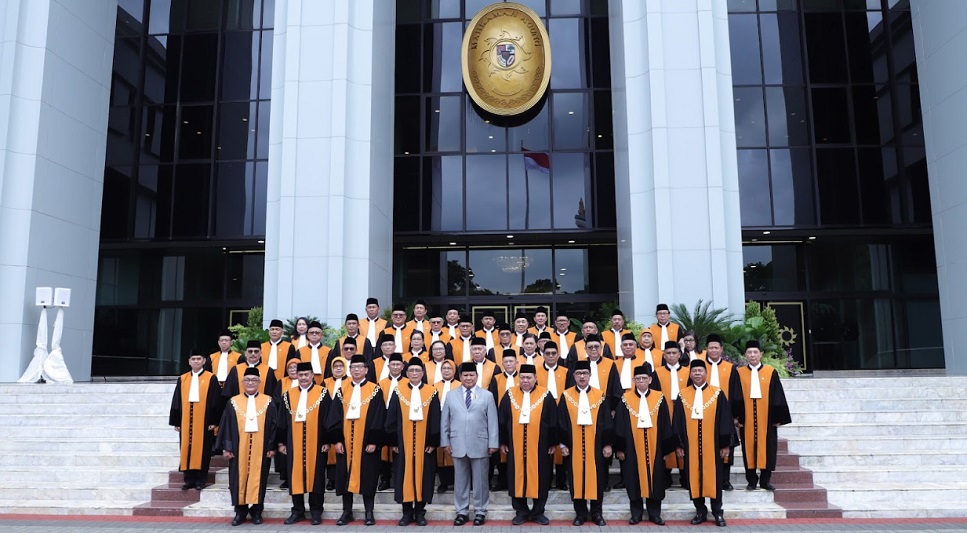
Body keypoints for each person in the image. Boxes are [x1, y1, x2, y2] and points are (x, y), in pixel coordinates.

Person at [614, 364, 677, 525]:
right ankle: (636, 513)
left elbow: (665, 425)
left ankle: (654, 513)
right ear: (633, 380)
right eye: (638, 379)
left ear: (650, 380)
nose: (641, 381)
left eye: (644, 378)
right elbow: (620, 424)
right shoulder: (625, 399)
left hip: (655, 446)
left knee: (655, 479)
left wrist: (665, 448)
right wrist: (620, 448)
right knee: (633, 478)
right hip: (632, 447)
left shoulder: (659, 397)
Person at [326, 354, 386, 526]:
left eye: (360, 367)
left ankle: (369, 512)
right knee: (345, 476)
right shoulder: (342, 388)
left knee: (368, 476)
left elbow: (378, 417)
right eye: (353, 367)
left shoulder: (375, 389)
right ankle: (347, 512)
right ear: (350, 370)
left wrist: (374, 441)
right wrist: (337, 440)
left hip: (366, 443)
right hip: (345, 443)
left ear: (366, 370)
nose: (357, 370)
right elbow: (334, 416)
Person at [215, 367, 279, 526]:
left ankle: (257, 512)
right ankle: (240, 512)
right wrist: (227, 447)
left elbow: (273, 426)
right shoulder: (233, 402)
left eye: (254, 380)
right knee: (237, 479)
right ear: (242, 382)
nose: (251, 383)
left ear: (259, 382)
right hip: (238, 448)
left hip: (261, 448)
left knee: (260, 479)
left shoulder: (268, 401)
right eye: (247, 380)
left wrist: (272, 447)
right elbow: (227, 427)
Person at [673, 359, 732, 527]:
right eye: (694, 371)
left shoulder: (717, 393)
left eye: (700, 370)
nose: (697, 373)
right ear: (690, 374)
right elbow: (677, 421)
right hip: (691, 447)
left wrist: (725, 444)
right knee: (694, 479)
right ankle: (700, 511)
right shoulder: (683, 394)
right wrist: (678, 444)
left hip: (712, 447)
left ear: (706, 373)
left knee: (714, 479)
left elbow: (725, 421)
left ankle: (718, 512)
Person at [440, 362, 499, 526]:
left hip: (480, 443)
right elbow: (445, 420)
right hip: (457, 443)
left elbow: (493, 421)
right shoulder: (451, 395)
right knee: (460, 480)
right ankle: (462, 511)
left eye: (471, 375)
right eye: (465, 375)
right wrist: (445, 441)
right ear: (459, 377)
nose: (468, 378)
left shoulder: (487, 395)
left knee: (481, 481)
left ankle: (480, 511)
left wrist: (493, 442)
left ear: (477, 376)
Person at [385, 357, 441, 526]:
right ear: (406, 373)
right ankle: (407, 512)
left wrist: (433, 441)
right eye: (411, 371)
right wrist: (394, 442)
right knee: (404, 475)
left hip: (425, 445)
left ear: (423, 373)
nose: (414, 373)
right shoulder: (398, 391)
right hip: (404, 444)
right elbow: (392, 418)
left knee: (425, 476)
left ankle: (420, 512)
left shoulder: (431, 392)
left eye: (418, 371)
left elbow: (435, 418)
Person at [498, 364, 557, 525]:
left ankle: (538, 512)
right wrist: (503, 441)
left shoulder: (545, 394)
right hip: (515, 445)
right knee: (515, 477)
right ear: (519, 379)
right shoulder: (510, 394)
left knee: (542, 477)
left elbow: (552, 420)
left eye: (529, 377)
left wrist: (552, 442)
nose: (525, 380)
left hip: (540, 445)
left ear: (535, 378)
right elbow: (502, 420)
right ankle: (521, 511)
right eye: (522, 377)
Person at [730, 340, 792, 492]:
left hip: (767, 418)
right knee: (748, 448)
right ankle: (751, 480)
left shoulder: (770, 372)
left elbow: (778, 396)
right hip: (747, 418)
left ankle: (765, 480)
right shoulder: (739, 373)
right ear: (745, 355)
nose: (752, 355)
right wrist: (736, 416)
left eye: (755, 352)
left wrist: (778, 418)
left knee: (769, 448)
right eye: (749, 352)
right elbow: (736, 395)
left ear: (761, 354)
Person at [557, 359, 614, 526]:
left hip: (595, 446)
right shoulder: (566, 396)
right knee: (576, 478)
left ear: (590, 375)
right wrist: (563, 444)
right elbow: (561, 421)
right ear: (574, 375)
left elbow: (606, 422)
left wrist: (608, 444)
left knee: (598, 478)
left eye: (585, 373)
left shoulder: (600, 395)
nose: (582, 377)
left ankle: (597, 513)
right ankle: (580, 513)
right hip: (574, 446)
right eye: (579, 374)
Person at [277, 362, 332, 525]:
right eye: (300, 375)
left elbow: (328, 418)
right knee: (295, 477)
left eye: (306, 375)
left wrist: (327, 441)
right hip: (293, 442)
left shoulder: (322, 393)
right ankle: (298, 511)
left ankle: (316, 511)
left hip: (316, 443)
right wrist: (281, 442)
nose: (303, 378)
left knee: (316, 477)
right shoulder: (287, 395)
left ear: (312, 376)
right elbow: (281, 421)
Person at [169, 348, 221, 491]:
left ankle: (200, 480)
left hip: (204, 422)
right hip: (186, 421)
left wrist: (214, 421)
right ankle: (189, 480)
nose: (196, 361)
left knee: (203, 450)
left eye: (199, 359)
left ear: (204, 361)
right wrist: (176, 421)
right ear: (189, 362)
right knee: (186, 449)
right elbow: (177, 401)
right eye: (194, 359)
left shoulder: (211, 378)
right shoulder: (183, 378)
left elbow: (215, 401)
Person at [534, 341, 570, 490]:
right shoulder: (536, 371)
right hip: (543, 411)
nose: (550, 356)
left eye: (553, 353)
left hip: (562, 410)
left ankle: (561, 481)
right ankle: (546, 481)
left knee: (562, 441)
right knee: (546, 443)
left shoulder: (566, 371)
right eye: (547, 353)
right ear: (543, 355)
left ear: (558, 355)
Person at [705, 333, 738, 491]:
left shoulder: (730, 368)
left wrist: (736, 415)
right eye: (710, 348)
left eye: (716, 348)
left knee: (726, 446)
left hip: (726, 413)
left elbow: (736, 392)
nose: (713, 350)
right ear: (706, 349)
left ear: (721, 349)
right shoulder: (700, 367)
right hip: (705, 413)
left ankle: (725, 480)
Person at [655, 340, 689, 487]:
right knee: (666, 440)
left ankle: (685, 477)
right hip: (665, 412)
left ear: (679, 354)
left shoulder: (688, 372)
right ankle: (666, 477)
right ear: (664, 355)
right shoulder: (657, 373)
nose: (671, 356)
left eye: (674, 353)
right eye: (668, 353)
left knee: (683, 440)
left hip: (684, 413)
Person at [378, 352, 406, 491]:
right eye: (393, 364)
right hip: (384, 417)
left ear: (402, 366)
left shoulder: (407, 383)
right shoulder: (382, 383)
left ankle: (399, 479)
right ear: (388, 366)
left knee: (398, 449)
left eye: (398, 364)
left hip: (400, 420)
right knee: (384, 451)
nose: (395, 367)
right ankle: (385, 479)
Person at [322, 354, 349, 491]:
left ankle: (344, 479)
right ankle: (331, 480)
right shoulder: (325, 382)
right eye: (336, 366)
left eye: (341, 366)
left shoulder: (350, 382)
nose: (338, 368)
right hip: (328, 420)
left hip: (344, 421)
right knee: (330, 452)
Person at [433, 357, 458, 493]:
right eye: (444, 368)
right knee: (441, 453)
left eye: (449, 368)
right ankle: (443, 482)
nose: (446, 370)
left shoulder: (460, 385)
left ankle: (455, 481)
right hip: (439, 420)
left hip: (455, 421)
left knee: (454, 450)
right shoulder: (435, 386)